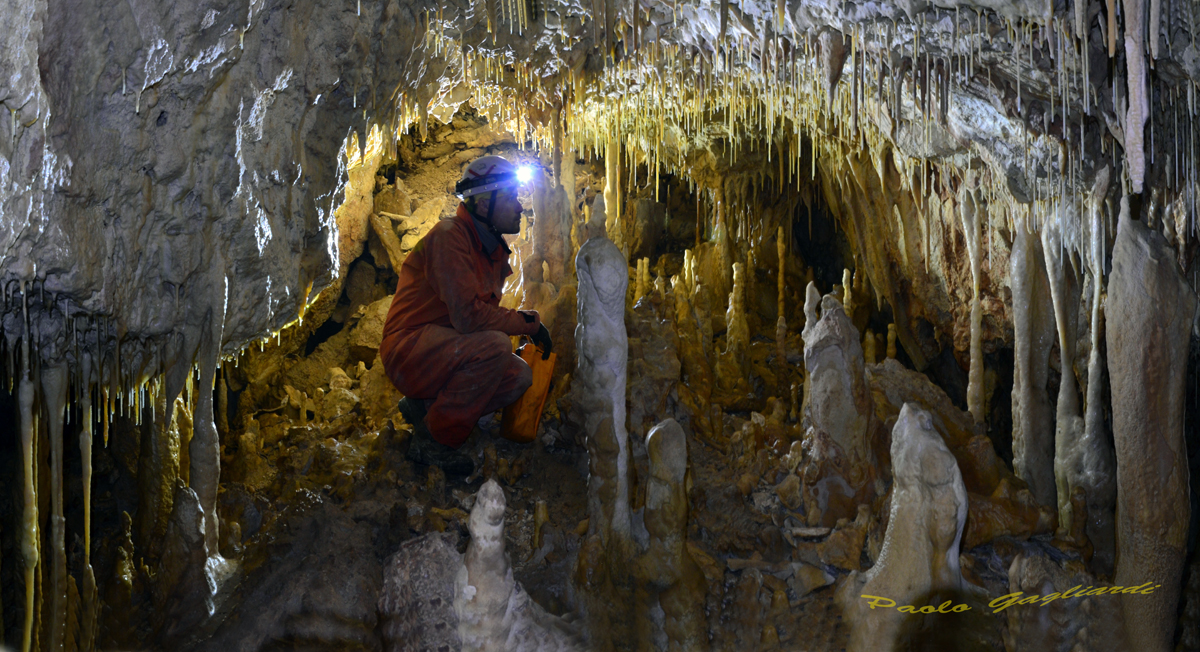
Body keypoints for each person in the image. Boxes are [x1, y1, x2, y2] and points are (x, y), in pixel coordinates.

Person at [379, 155, 553, 475]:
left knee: (518, 377)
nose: (519, 207)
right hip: (408, 349)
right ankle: (435, 441)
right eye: (511, 198)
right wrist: (524, 324)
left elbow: (480, 312)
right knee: (496, 347)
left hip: (441, 349)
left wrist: (522, 322)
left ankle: (426, 409)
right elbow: (468, 318)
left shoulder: (489, 249)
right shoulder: (450, 236)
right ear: (484, 205)